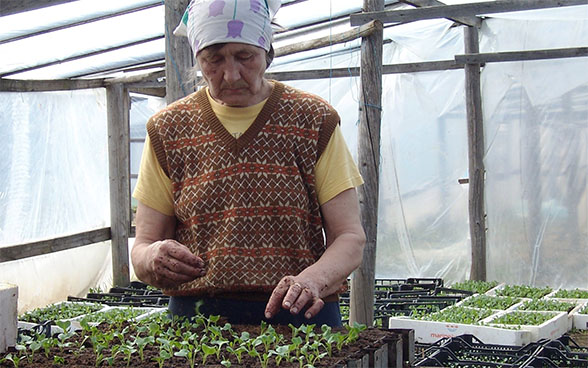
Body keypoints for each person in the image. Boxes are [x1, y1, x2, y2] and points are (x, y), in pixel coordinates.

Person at [131, 0, 365, 327]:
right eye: (213, 59)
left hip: (300, 317)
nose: (231, 74)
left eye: (245, 56)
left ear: (267, 52)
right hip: (198, 322)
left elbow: (350, 238)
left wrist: (312, 280)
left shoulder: (313, 121)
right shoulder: (168, 129)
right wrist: (152, 258)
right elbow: (142, 247)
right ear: (197, 59)